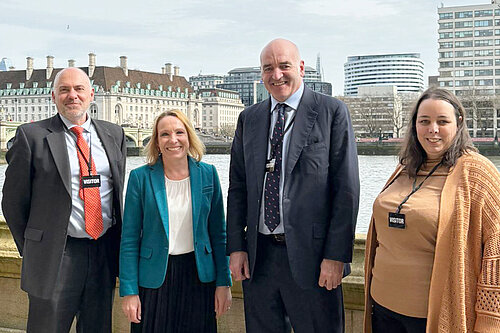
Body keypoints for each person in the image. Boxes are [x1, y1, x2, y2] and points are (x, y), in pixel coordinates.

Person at [227, 38, 360, 332]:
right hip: (259, 259)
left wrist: (335, 257)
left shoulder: (331, 111)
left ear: (300, 67)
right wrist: (236, 247)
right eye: (268, 68)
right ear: (261, 75)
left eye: (284, 66)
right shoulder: (249, 118)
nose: (276, 75)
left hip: (312, 260)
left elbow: (346, 190)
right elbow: (237, 187)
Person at [364, 87, 500, 332]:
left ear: (458, 123)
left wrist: (490, 319)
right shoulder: (405, 168)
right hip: (382, 309)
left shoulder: (478, 173)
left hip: (431, 318)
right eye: (424, 121)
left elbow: (496, 250)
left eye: (442, 121)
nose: (432, 129)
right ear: (414, 125)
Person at [2, 67, 126, 332]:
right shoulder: (31, 135)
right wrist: (36, 248)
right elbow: (12, 202)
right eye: (64, 90)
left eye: (79, 89)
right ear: (53, 96)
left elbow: (117, 193)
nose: (73, 96)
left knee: (97, 327)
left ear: (91, 94)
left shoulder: (114, 135)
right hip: (57, 254)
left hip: (103, 252)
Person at [119, 110, 232, 332]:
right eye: (164, 134)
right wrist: (130, 291)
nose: (173, 140)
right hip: (154, 279)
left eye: (179, 132)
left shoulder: (208, 174)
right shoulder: (140, 178)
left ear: (189, 137)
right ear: (156, 141)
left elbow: (219, 234)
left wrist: (223, 283)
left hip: (199, 277)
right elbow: (130, 239)